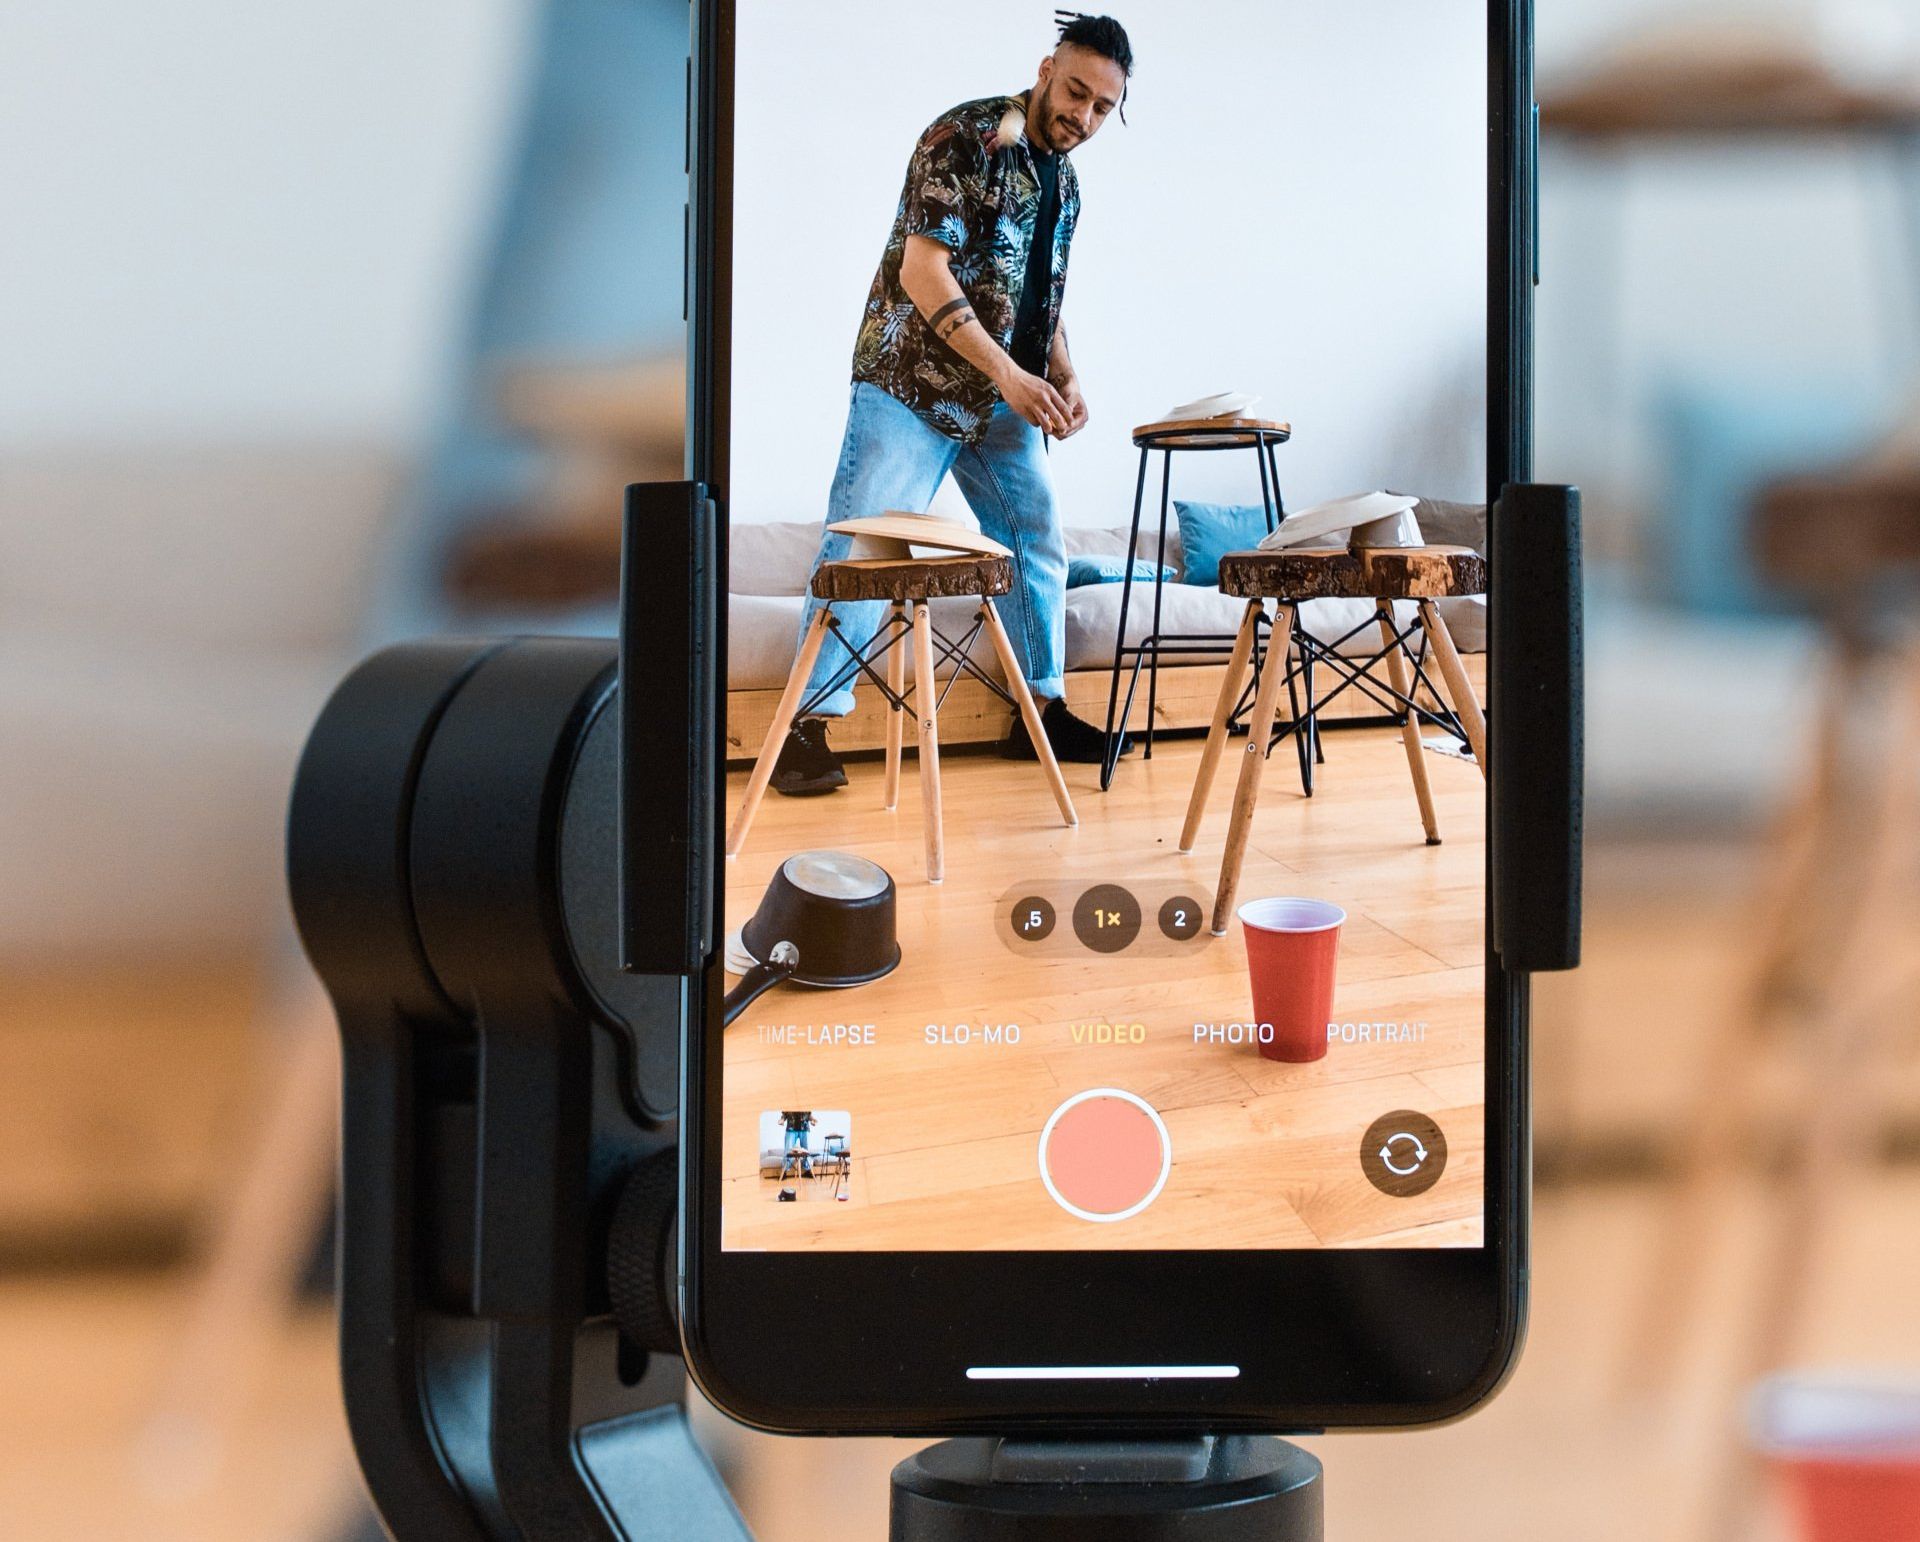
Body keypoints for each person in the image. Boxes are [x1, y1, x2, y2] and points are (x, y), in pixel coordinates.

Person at [772, 14, 1135, 796]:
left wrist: (1064, 372)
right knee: (862, 548)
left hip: (1001, 393)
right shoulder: (961, 136)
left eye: (1104, 107)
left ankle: (1038, 710)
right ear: (1046, 69)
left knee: (1035, 539)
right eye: (1076, 92)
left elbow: (1038, 294)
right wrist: (1010, 375)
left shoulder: (1066, 182)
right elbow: (923, 273)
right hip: (911, 382)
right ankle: (807, 727)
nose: (1084, 115)